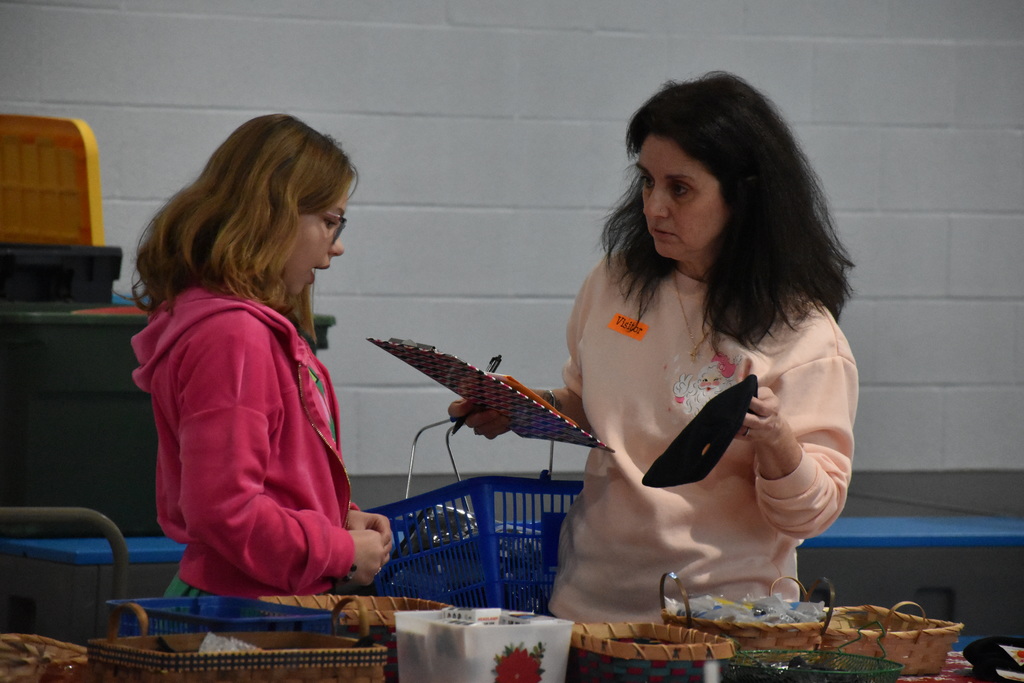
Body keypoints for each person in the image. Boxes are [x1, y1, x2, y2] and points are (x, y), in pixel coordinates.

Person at [450, 72, 858, 622]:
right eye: (646, 182)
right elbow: (593, 410)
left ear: (743, 197)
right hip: (588, 606)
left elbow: (810, 515)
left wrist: (777, 439)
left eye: (680, 189)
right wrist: (522, 407)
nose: (654, 207)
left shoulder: (805, 333)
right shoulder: (614, 281)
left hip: (724, 622)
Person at [131, 114, 392, 598]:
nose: (337, 246)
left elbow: (272, 481)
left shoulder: (242, 327)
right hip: (243, 610)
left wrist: (336, 519)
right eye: (329, 222)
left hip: (265, 597)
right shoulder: (233, 336)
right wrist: (339, 551)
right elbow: (225, 509)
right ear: (272, 216)